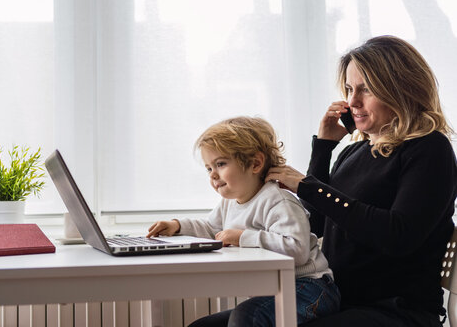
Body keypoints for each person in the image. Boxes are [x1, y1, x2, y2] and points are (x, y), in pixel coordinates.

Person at [264, 35, 457, 327]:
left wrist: (309, 186)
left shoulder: (430, 148)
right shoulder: (354, 151)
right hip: (339, 300)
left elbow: (398, 235)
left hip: (398, 311)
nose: (352, 101)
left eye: (366, 90)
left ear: (401, 88)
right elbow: (315, 224)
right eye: (350, 89)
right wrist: (323, 149)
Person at [147, 116, 340, 325]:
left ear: (255, 163)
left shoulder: (279, 200)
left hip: (311, 288)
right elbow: (212, 228)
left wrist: (242, 237)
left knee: (248, 316)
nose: (213, 175)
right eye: (209, 168)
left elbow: (297, 250)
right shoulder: (230, 202)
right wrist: (177, 226)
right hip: (279, 288)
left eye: (220, 164)